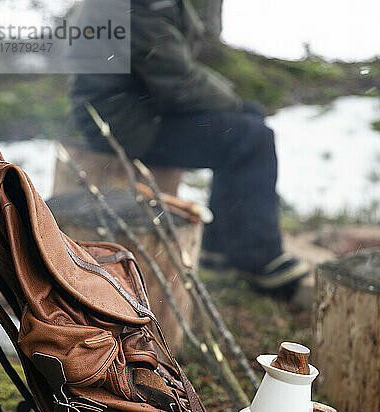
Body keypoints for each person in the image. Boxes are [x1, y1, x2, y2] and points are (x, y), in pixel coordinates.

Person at [71, 0, 309, 295]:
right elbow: (176, 80)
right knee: (250, 136)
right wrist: (234, 102)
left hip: (134, 107)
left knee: (247, 125)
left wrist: (235, 106)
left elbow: (172, 69)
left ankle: (220, 250)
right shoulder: (140, 6)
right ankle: (256, 259)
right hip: (124, 122)